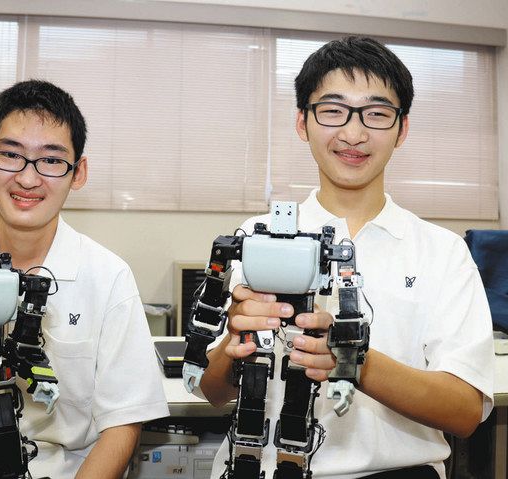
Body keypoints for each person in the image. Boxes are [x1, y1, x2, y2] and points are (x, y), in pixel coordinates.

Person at [200, 36, 494, 478]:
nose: (353, 134)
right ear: (302, 122)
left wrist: (354, 360)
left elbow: (464, 411)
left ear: (402, 129)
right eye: (333, 110)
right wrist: (234, 344)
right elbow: (212, 391)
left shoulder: (441, 252)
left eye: (376, 114)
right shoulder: (256, 239)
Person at [0, 80, 169, 478]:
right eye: (11, 155)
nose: (28, 179)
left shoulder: (107, 276)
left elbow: (124, 423)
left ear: (78, 172)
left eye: (51, 160)